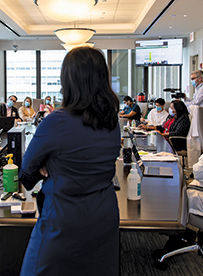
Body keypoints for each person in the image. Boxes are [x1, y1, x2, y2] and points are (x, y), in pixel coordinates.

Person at [19, 47, 121, 276]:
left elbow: (27, 172)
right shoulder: (112, 122)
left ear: (68, 80)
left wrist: (49, 164)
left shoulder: (56, 121)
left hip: (64, 219)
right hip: (104, 215)